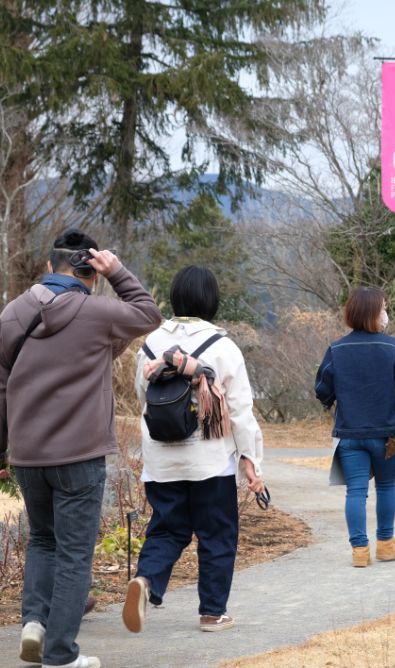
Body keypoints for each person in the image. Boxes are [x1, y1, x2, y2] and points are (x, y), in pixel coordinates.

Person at [0, 229, 162, 668]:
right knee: (74, 554)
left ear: (49, 266)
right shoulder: (98, 311)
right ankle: (61, 655)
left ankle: (34, 624)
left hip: (27, 456)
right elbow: (148, 313)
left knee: (43, 541)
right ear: (92, 272)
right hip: (79, 457)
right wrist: (117, 270)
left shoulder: (14, 312)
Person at [122, 265, 265, 635]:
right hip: (211, 462)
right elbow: (240, 412)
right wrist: (251, 460)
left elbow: (144, 398)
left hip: (161, 462)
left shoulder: (152, 345)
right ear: (212, 301)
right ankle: (212, 613)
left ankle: (146, 580)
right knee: (216, 535)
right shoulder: (223, 347)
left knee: (167, 530)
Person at [314, 286, 395, 567]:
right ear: (372, 313)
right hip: (388, 434)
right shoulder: (391, 347)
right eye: (383, 308)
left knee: (355, 491)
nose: (385, 314)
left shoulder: (337, 349)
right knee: (385, 486)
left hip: (349, 433)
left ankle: (359, 552)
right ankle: (385, 545)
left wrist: (336, 395)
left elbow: (322, 388)